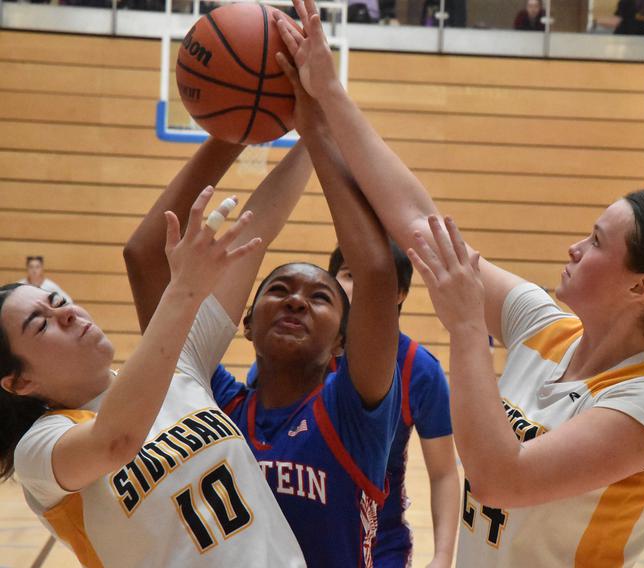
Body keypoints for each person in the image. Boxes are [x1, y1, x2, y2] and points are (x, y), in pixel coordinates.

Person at [276, 3, 644, 564]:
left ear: (641, 288)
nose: (575, 248)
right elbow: (423, 226)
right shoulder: (546, 327)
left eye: (596, 242)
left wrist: (469, 327)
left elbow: (500, 479)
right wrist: (330, 98)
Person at [124, 47, 402, 567]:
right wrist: (236, 122)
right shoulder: (210, 403)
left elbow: (377, 273)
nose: (296, 298)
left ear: (344, 339)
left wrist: (315, 127)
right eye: (277, 290)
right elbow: (144, 257)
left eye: (321, 297)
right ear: (244, 324)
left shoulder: (352, 412)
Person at [1, 185, 307, 565]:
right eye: (40, 325)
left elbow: (253, 235)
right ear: (19, 383)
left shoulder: (180, 368)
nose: (65, 314)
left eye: (58, 302)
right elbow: (115, 440)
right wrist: (182, 289)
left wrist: (310, 134)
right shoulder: (40, 448)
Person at [330, 244, 459, 568]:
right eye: (348, 274)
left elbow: (444, 473)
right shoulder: (294, 356)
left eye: (374, 277)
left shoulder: (420, 369)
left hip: (380, 547)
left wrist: (443, 556)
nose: (359, 285)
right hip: (299, 540)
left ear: (399, 293)